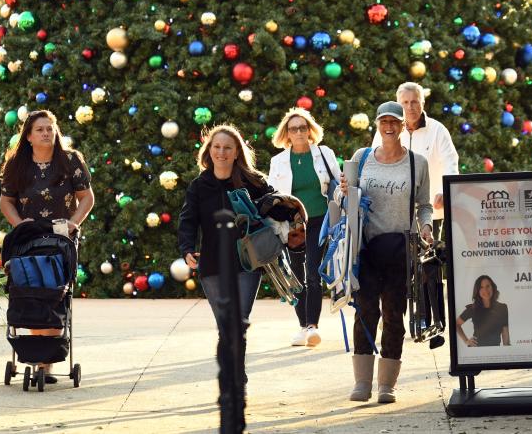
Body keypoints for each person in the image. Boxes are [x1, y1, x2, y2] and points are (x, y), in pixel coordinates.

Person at [338, 101, 433, 404]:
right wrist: (343, 191)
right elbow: (347, 201)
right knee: (365, 312)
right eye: (383, 122)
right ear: (377, 125)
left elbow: (424, 205)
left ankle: (386, 385)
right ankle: (362, 381)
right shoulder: (362, 158)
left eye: (395, 122)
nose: (389, 127)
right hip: (365, 247)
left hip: (399, 248)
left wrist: (427, 226)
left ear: (404, 126)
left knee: (394, 314)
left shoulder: (417, 163)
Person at [0, 110, 95, 383]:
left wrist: (74, 223)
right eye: (40, 129)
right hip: (28, 237)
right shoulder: (17, 164)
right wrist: (18, 223)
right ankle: (36, 353)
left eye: (50, 128)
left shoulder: (70, 160)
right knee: (27, 288)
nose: (46, 133)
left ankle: (46, 360)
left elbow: (86, 197)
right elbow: (6, 201)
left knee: (54, 289)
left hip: (60, 238)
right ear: (28, 136)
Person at [178, 124, 275, 389]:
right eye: (216, 147)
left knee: (237, 322)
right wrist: (187, 249)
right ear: (209, 151)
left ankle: (234, 376)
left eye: (227, 148)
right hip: (212, 263)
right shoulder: (199, 186)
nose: (221, 152)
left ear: (236, 153)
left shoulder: (254, 182)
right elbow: (188, 220)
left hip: (247, 262)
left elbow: (276, 208)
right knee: (225, 323)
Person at [267, 108, 342, 348]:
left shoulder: (324, 153)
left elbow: (338, 183)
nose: (298, 132)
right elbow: (271, 194)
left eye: (302, 127)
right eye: (293, 128)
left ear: (309, 130)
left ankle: (312, 326)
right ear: (286, 134)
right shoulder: (278, 161)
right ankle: (302, 326)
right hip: (293, 222)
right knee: (296, 273)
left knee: (312, 271)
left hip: (320, 219)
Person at [372, 82, 458, 241]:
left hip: (431, 209)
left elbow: (450, 163)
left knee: (429, 260)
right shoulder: (386, 131)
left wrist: (445, 190)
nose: (410, 107)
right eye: (405, 102)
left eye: (414, 101)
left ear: (422, 103)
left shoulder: (438, 130)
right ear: (399, 104)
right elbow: (374, 164)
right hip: (395, 212)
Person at [455, 275, 510, 347]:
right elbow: (456, 324)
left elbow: (505, 331)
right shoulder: (473, 308)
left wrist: (507, 350)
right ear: (477, 291)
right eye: (481, 287)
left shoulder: (502, 308)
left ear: (492, 287)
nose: (485, 290)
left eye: (488, 286)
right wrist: (466, 341)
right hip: (476, 351)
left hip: (495, 351)